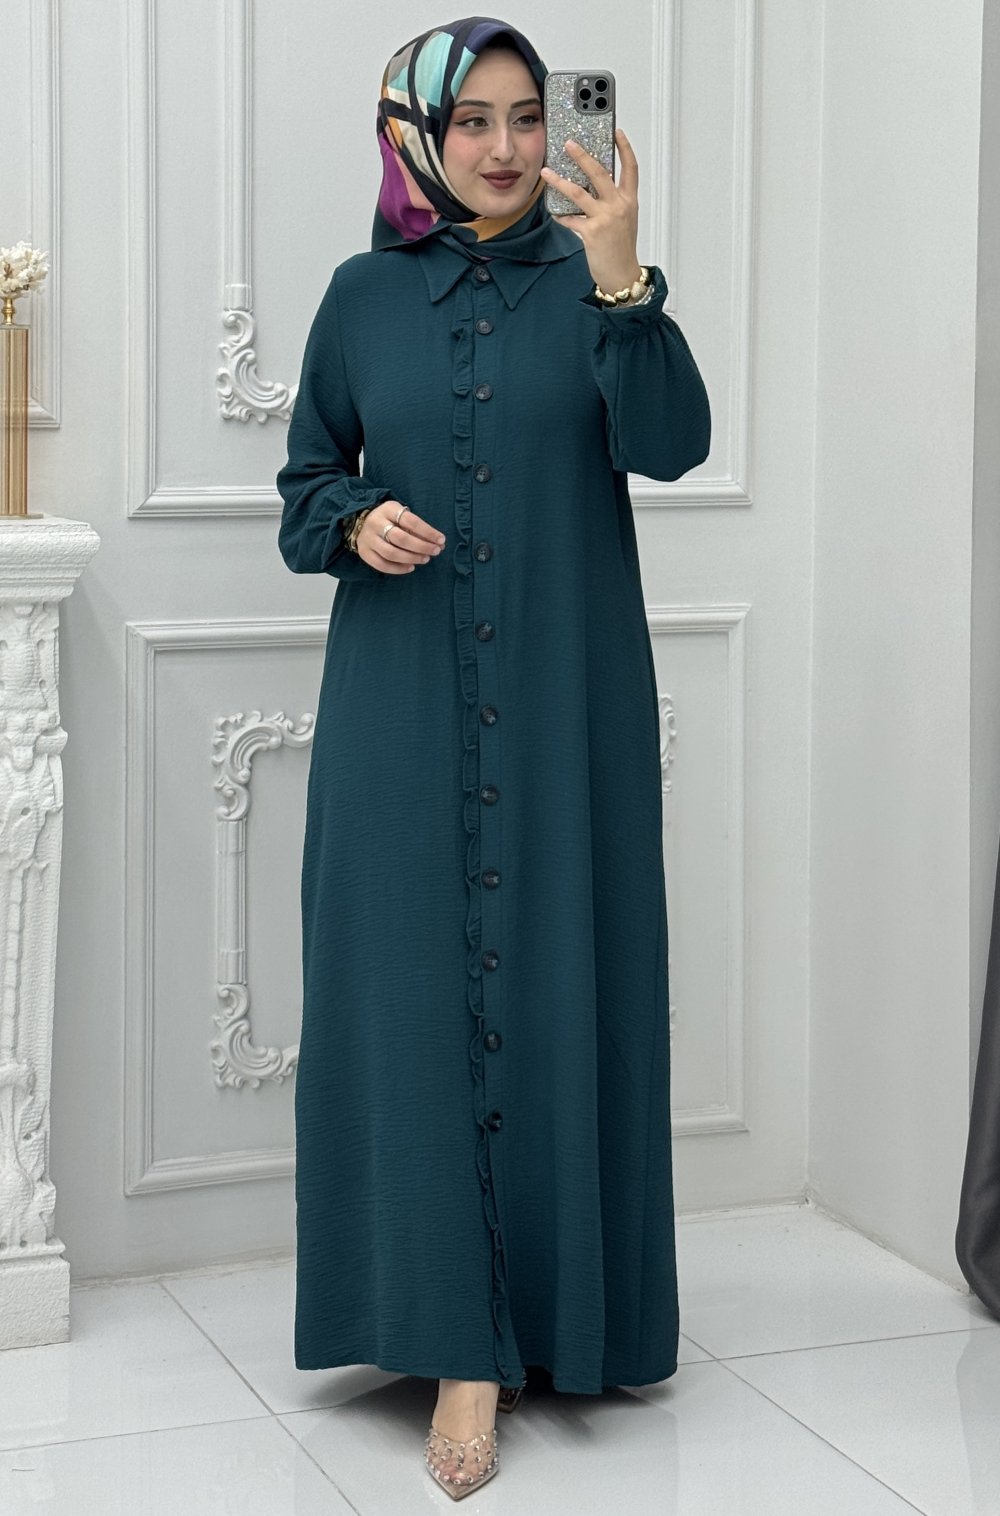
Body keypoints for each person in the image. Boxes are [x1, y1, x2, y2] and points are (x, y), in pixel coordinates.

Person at [276, 15, 711, 1501]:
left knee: (560, 978)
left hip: (565, 698)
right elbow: (303, 489)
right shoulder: (360, 298)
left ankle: (565, 1322)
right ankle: (455, 1343)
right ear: (419, 134)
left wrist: (624, 274)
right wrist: (353, 521)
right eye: (474, 120)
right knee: (405, 999)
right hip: (399, 711)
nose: (510, 147)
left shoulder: (598, 286)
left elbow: (670, 445)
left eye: (531, 116)